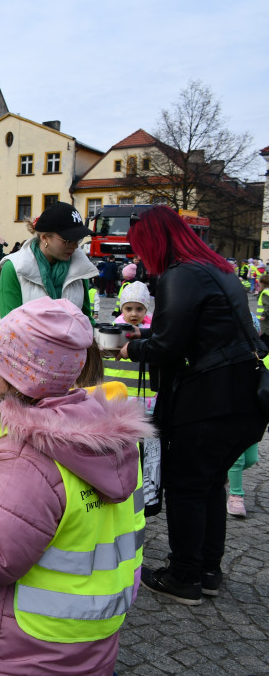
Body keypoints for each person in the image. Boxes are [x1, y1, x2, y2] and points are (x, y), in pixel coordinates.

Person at [0, 297, 150, 675]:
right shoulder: (116, 441)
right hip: (94, 639)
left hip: (20, 649)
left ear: (15, 374)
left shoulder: (25, 456)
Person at [119, 206, 268, 604]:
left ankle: (184, 575)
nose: (140, 257)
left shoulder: (180, 274)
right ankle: (207, 570)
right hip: (242, 396)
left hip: (209, 399)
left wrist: (131, 346)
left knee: (186, 486)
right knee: (208, 485)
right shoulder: (216, 268)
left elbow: (168, 345)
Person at [0, 202, 97, 326]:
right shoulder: (15, 267)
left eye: (78, 239)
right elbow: (10, 325)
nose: (75, 246)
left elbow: (85, 319)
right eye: (68, 240)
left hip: (69, 345)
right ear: (44, 237)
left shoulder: (80, 267)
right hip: (23, 344)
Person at [258, 273, 269, 348]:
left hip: (266, 325)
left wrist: (264, 315)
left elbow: (268, 307)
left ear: (262, 284)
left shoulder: (265, 293)